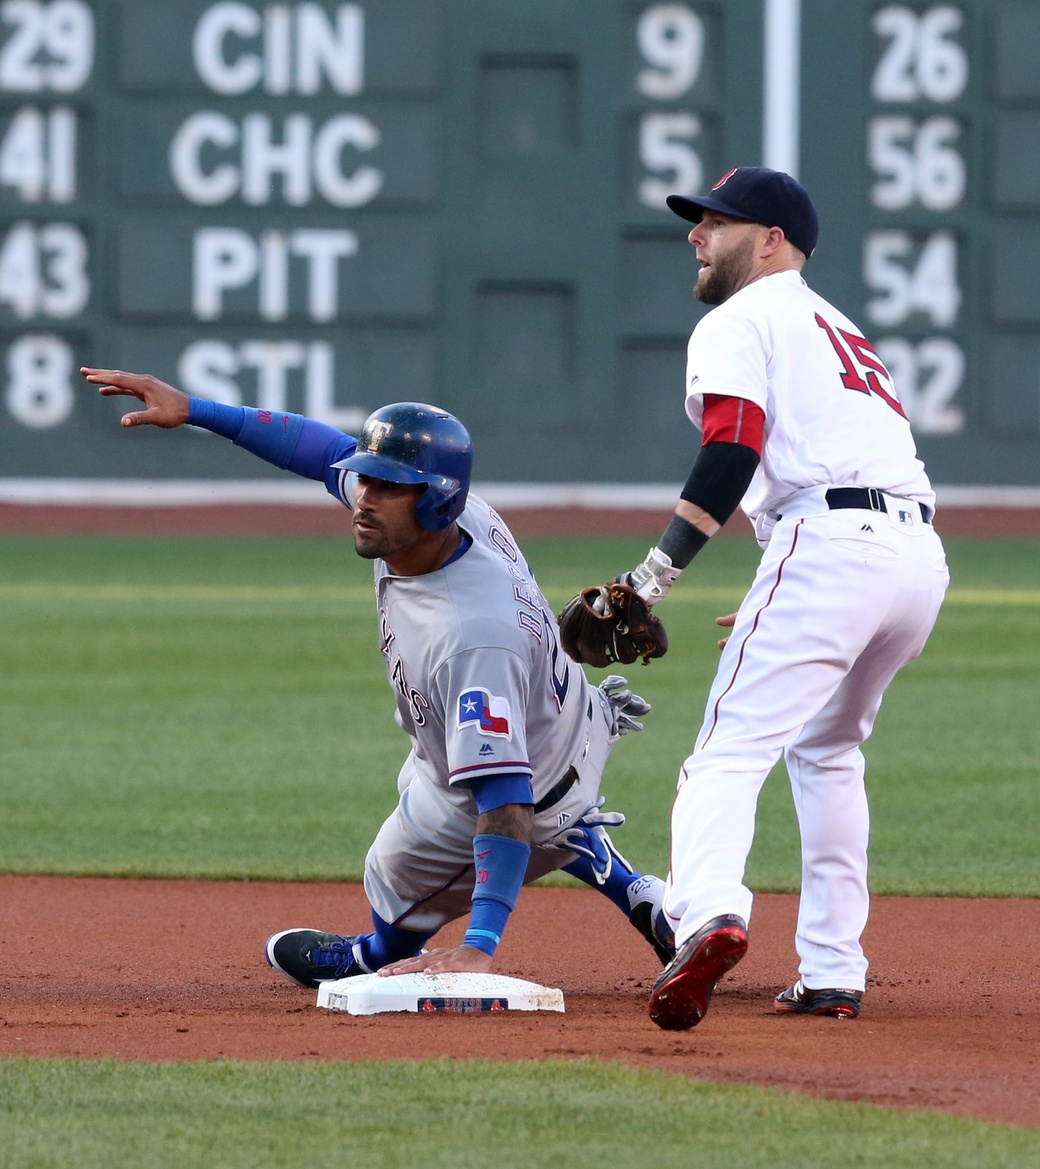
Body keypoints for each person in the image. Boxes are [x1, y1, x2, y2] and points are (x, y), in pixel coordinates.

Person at [81, 367, 675, 986]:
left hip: (527, 777)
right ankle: (637, 894)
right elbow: (319, 450)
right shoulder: (434, 516)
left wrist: (481, 945)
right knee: (483, 776)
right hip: (561, 722)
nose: (363, 496)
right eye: (367, 477)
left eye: (388, 485)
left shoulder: (465, 632)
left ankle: (371, 954)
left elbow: (503, 798)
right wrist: (194, 410)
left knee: (395, 875)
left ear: (436, 498)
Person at [578, 167, 949, 1029]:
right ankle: (832, 968)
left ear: (771, 240)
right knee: (828, 751)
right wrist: (783, 592)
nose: (696, 235)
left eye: (717, 222)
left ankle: (706, 913)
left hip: (829, 549)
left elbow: (734, 444)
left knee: (726, 752)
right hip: (914, 558)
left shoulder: (739, 317)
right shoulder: (840, 326)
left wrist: (651, 577)